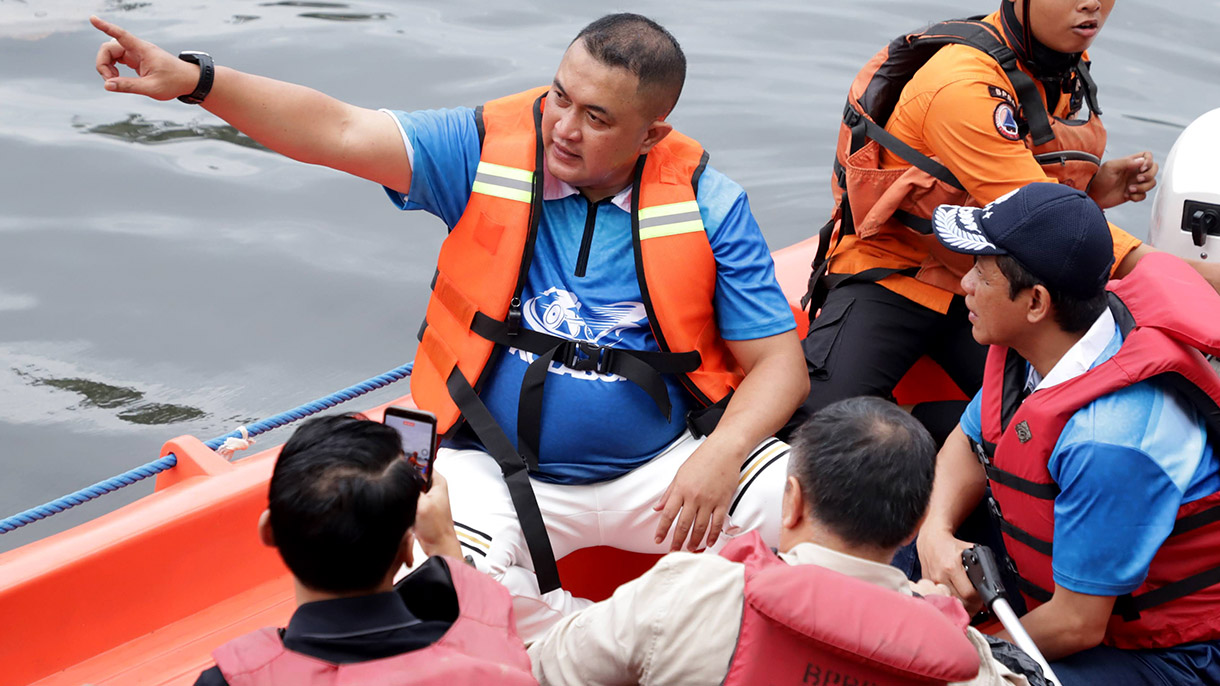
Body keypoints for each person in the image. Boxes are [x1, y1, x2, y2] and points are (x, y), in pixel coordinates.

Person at [90, 13, 808, 640]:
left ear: (652, 134)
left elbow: (780, 366)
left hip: (665, 468)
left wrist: (722, 457)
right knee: (422, 590)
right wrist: (193, 80)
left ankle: (587, 639)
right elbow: (339, 129)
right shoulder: (480, 149)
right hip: (489, 463)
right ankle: (604, 640)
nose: (563, 127)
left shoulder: (710, 203)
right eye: (561, 95)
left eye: (597, 117)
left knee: (819, 510)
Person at [783, 0, 1220, 442]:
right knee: (813, 428)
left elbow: (1022, 191)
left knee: (1063, 421)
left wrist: (1091, 191)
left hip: (994, 276)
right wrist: (1205, 281)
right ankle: (907, 428)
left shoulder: (1062, 64)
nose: (1091, 3)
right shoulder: (962, 85)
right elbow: (1050, 228)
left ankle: (942, 430)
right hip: (897, 271)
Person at [916, 182, 1220, 683]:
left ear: (1035, 302)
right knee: (893, 544)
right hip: (1052, 592)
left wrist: (966, 649)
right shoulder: (1043, 345)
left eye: (981, 274)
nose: (964, 284)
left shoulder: (1111, 439)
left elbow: (1077, 623)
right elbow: (967, 444)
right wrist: (934, 532)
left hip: (1163, 652)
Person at [528, 396, 1050, 686]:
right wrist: (930, 613)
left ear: (791, 500)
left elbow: (544, 669)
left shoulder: (685, 593)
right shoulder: (964, 663)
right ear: (914, 527)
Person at [196, 414, 535, 686]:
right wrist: (442, 539)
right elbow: (478, 627)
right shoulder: (489, 656)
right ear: (407, 549)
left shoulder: (231, 679)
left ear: (269, 532)